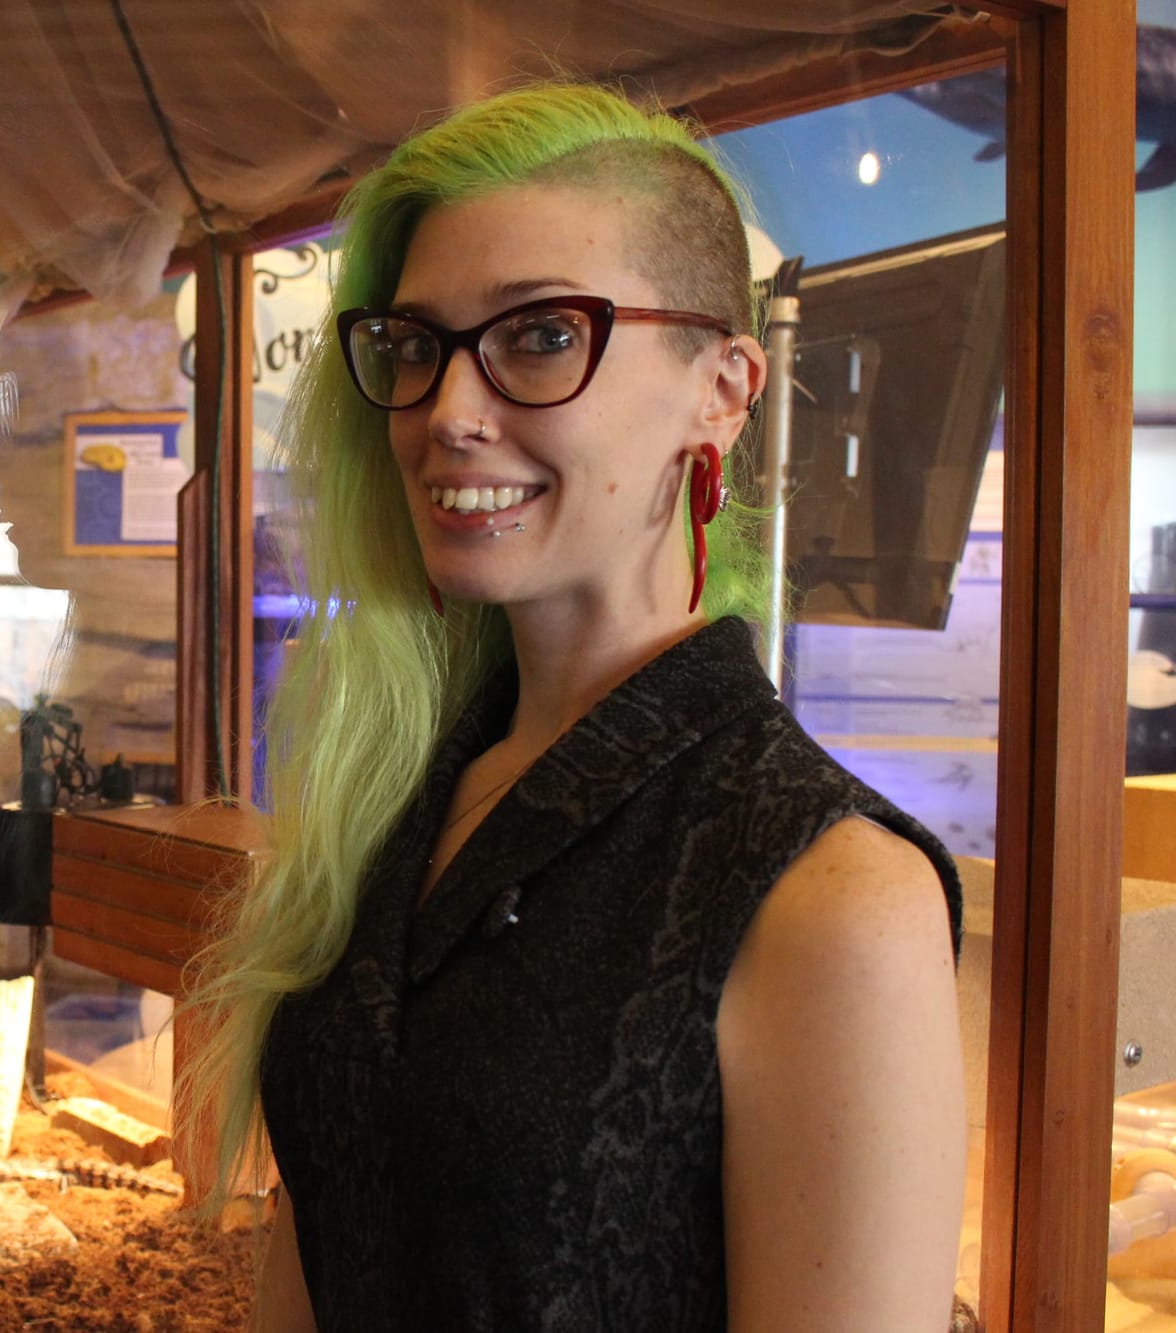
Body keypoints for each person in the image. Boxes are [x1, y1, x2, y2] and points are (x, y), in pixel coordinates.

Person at [177, 83, 966, 1332]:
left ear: (722, 388)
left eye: (540, 335)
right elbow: (325, 1234)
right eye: (416, 346)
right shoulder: (404, 793)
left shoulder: (830, 896)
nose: (448, 412)